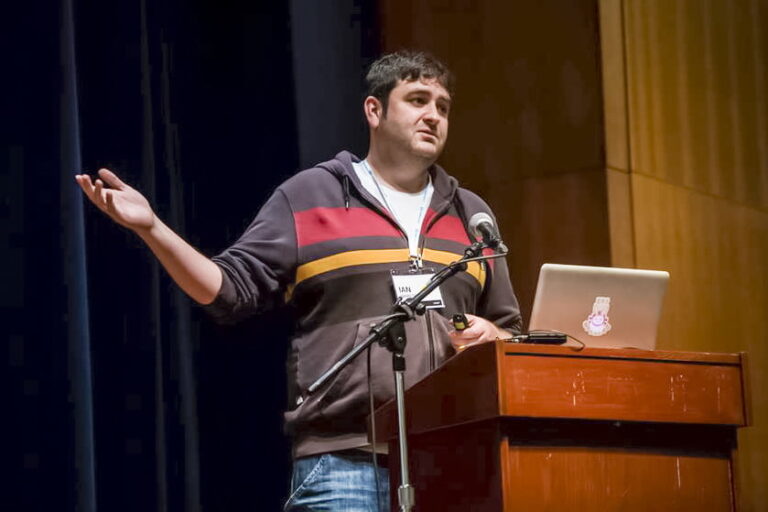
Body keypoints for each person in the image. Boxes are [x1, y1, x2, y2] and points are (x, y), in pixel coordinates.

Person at [76, 51, 522, 511]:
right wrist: (152, 227)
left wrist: (494, 336)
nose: (433, 115)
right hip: (343, 463)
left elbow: (511, 332)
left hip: (454, 460)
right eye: (417, 100)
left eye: (443, 106)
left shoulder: (471, 214)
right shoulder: (309, 196)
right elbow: (229, 290)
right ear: (374, 110)